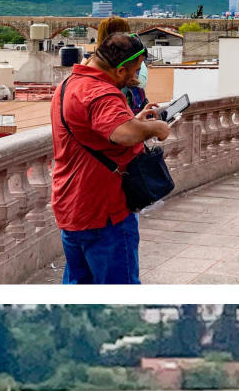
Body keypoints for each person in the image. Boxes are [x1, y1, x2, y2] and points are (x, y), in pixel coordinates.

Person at [50, 18, 179, 285]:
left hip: (71, 204)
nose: (135, 77)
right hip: (103, 209)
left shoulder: (68, 85)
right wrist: (155, 127)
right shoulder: (102, 93)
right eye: (134, 71)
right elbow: (122, 133)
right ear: (120, 70)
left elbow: (103, 127)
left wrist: (136, 119)